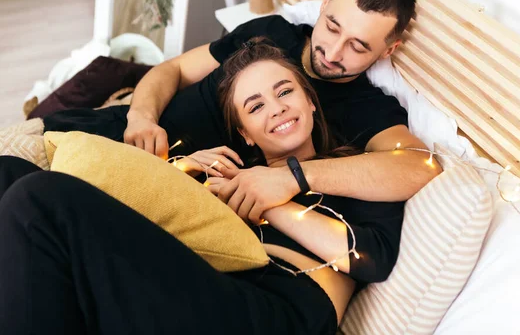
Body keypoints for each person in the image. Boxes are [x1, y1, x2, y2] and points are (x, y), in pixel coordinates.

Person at [0, 40, 406, 334]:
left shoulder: (351, 167)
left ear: (311, 102)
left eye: (285, 92)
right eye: (256, 105)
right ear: (244, 134)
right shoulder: (234, 169)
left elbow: (373, 259)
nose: (277, 108)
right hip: (203, 274)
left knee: (38, 200)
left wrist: (271, 198)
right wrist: (181, 172)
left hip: (281, 304)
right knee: (9, 173)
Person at [44, 0, 441, 220]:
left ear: (388, 50)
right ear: (324, 2)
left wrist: (295, 177)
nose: (333, 52)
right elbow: (174, 69)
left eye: (358, 46)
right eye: (333, 27)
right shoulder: (271, 31)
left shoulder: (366, 106)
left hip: (166, 196)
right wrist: (141, 115)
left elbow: (419, 165)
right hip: (119, 133)